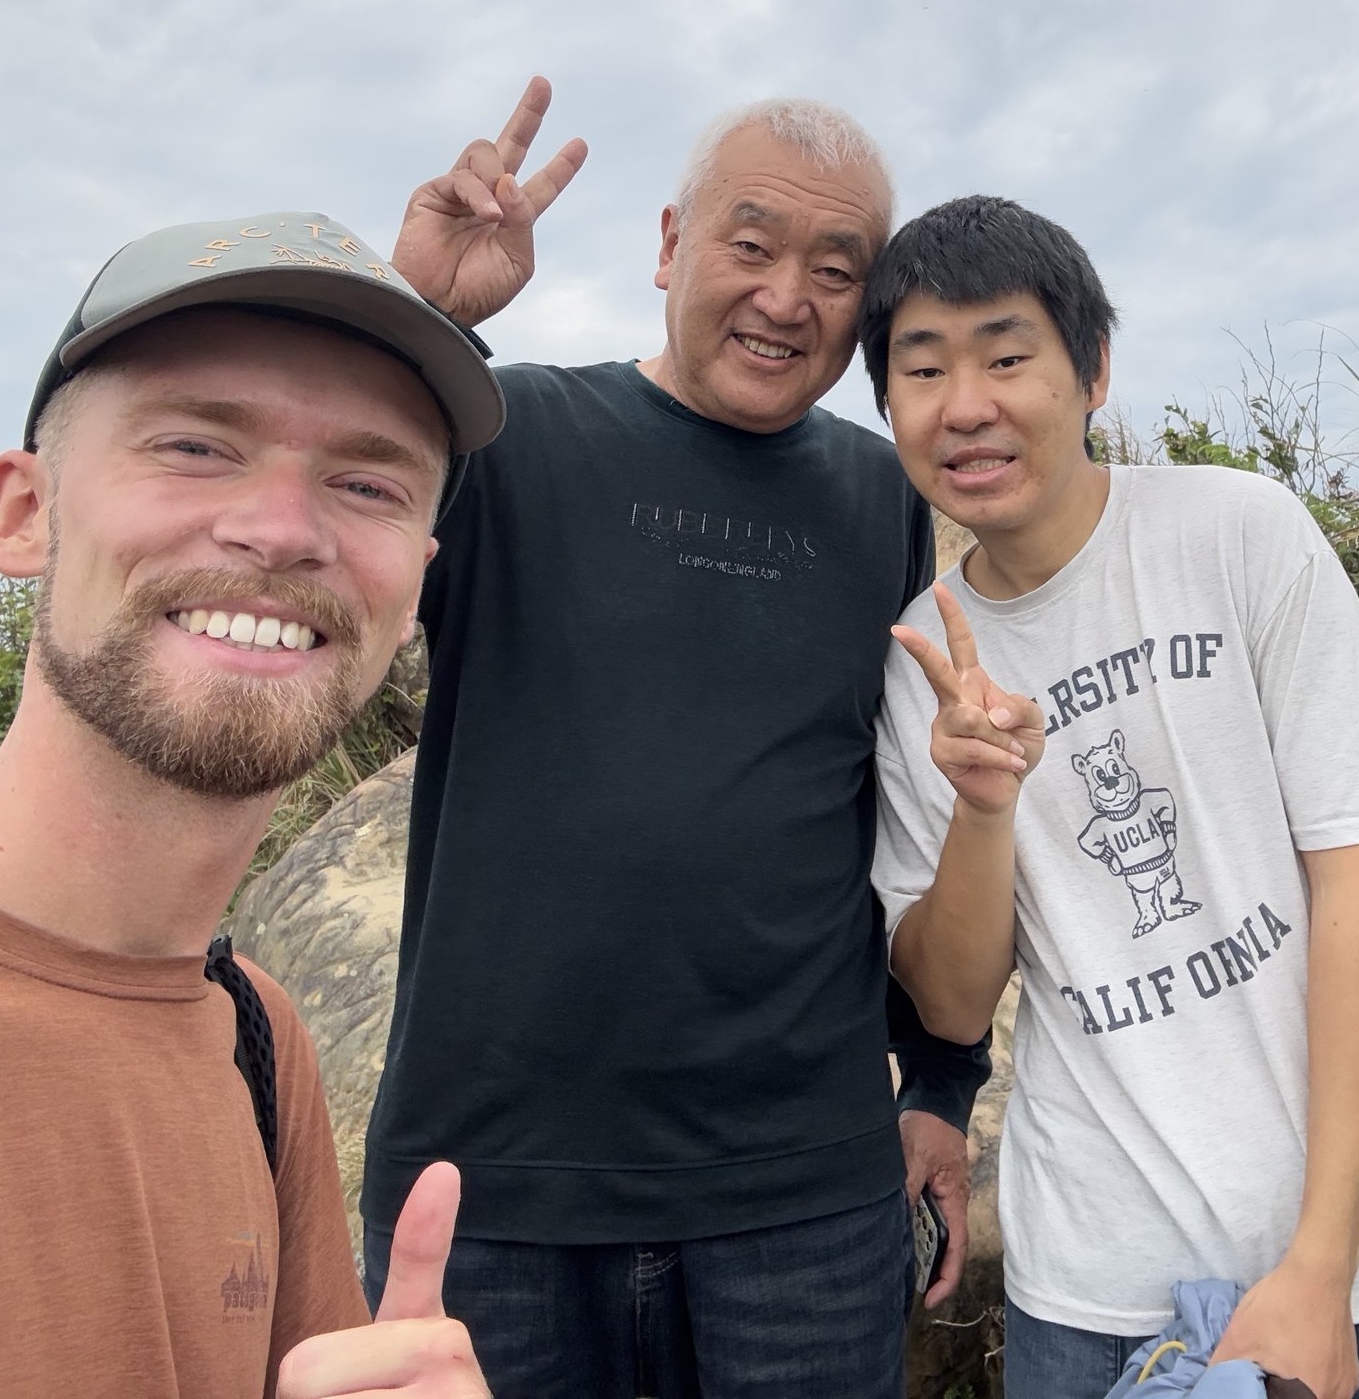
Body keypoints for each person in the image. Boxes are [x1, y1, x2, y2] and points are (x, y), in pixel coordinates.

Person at [0, 212, 501, 1397]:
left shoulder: (253, 1043)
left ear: (414, 594)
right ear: (22, 513)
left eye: (366, 482)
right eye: (196, 447)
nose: (283, 530)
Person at [366, 80, 990, 1398]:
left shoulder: (885, 498)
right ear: (668, 245)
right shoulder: (508, 434)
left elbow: (906, 811)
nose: (786, 296)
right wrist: (419, 323)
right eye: (750, 245)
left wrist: (941, 1074)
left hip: (806, 1196)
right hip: (496, 1188)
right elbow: (330, 523)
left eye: (837, 268)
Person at [862, 196, 1359, 1399]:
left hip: (1355, 1259)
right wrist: (983, 807)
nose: (964, 404)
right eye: (921, 369)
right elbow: (949, 996)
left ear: (1090, 370)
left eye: (1005, 355)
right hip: (1089, 1281)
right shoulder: (921, 653)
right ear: (887, 405)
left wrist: (1319, 1265)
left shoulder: (1236, 533)